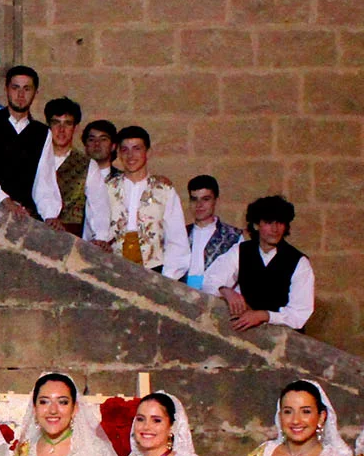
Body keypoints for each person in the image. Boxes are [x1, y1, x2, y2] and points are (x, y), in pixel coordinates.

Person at [85, 125, 189, 279]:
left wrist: (166, 279)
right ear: (118, 153)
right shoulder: (104, 188)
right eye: (125, 149)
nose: (131, 155)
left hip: (155, 272)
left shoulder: (164, 190)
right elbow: (89, 234)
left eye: (137, 149)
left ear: (148, 152)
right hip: (112, 271)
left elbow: (177, 240)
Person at [205, 196, 314, 332]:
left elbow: (299, 315)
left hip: (285, 340)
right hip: (248, 335)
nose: (275, 229)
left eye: (280, 222)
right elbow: (211, 280)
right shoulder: (240, 251)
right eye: (269, 222)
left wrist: (264, 315)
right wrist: (225, 291)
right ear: (256, 225)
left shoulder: (299, 262)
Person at [0, 64, 61, 219]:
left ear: (35, 92)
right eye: (15, 88)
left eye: (26, 89)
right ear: (6, 89)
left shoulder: (42, 133)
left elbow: (44, 180)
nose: (20, 94)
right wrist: (4, 200)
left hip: (22, 217)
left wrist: (49, 215)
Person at [184, 176, 242, 288]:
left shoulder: (234, 236)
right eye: (194, 199)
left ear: (216, 201)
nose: (199, 205)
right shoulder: (181, 234)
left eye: (205, 199)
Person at [45, 97, 89, 235]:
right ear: (49, 125)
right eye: (56, 123)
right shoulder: (34, 158)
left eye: (67, 124)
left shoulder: (87, 165)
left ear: (75, 128)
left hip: (71, 239)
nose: (61, 130)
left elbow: (98, 207)